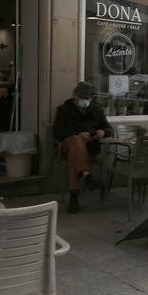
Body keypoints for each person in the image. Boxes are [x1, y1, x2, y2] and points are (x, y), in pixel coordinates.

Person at [53, 81, 112, 214]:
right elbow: (57, 132)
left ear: (91, 98)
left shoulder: (96, 110)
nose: (85, 101)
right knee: (76, 141)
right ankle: (88, 177)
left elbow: (109, 128)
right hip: (68, 143)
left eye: (88, 98)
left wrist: (103, 132)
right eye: (83, 98)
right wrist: (77, 134)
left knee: (73, 159)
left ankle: (75, 195)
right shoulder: (63, 109)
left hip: (90, 146)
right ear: (75, 96)